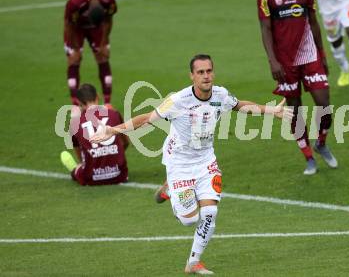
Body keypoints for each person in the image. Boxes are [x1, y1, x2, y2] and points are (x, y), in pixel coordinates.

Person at [90, 54, 292, 274]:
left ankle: (193, 262)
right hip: (179, 163)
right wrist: (111, 130)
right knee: (190, 220)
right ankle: (170, 187)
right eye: (200, 72)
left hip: (206, 161)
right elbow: (146, 119)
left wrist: (271, 110)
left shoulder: (220, 94)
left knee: (210, 213)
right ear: (192, 76)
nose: (206, 76)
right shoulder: (178, 100)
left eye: (209, 71)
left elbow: (239, 105)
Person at [258, 0, 338, 175]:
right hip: (285, 62)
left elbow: (313, 22)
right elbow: (265, 28)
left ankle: (321, 142)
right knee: (295, 110)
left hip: (310, 57)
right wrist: (273, 61)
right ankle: (309, 157)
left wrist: (322, 55)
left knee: (324, 103)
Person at [60, 83, 129, 186]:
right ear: (98, 97)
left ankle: (75, 169)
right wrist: (111, 153)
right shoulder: (114, 113)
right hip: (120, 175)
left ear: (79, 103)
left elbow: (79, 152)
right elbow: (126, 142)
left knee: (78, 170)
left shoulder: (75, 122)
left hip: (91, 177)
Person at [64, 0, 117, 106]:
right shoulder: (75, 3)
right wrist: (76, 48)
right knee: (74, 58)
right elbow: (68, 24)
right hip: (75, 27)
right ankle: (75, 105)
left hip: (98, 28)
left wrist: (103, 43)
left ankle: (108, 103)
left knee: (103, 56)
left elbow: (109, 20)